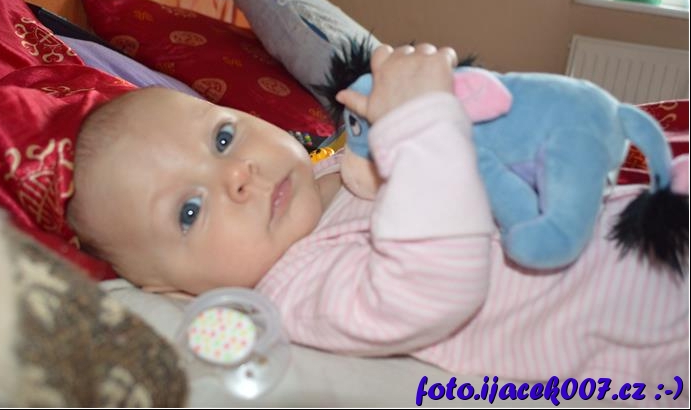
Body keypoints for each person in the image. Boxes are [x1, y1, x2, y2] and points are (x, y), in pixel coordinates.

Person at [68, 44, 688, 404]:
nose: (237, 175)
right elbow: (436, 286)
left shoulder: (330, 161)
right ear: (175, 290)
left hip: (640, 224)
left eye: (223, 137)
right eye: (189, 211)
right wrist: (422, 123)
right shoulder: (299, 289)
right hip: (645, 324)